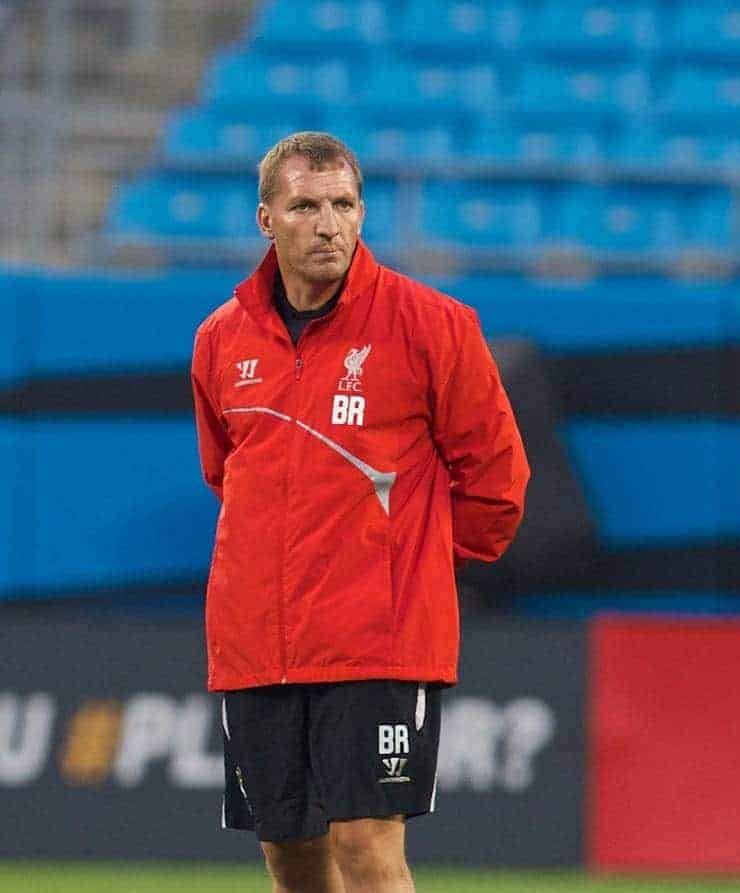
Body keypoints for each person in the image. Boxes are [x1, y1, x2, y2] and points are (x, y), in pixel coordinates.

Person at [190, 132, 530, 893]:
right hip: (258, 641)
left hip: (377, 638)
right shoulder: (220, 339)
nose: (328, 223)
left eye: (343, 204)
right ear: (266, 220)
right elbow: (229, 476)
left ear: (363, 212)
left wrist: (405, 565)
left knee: (367, 848)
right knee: (291, 856)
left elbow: (498, 482)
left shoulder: (430, 323)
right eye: (305, 205)